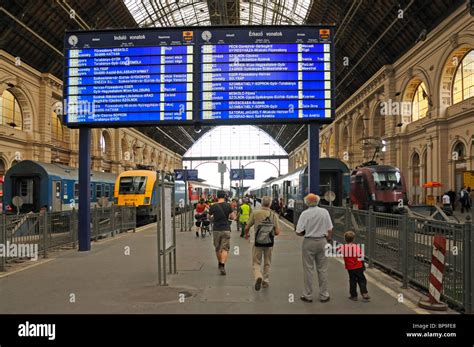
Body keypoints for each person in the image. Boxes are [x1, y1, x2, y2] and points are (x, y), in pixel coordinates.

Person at [295, 193, 333, 303]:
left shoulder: (304, 214)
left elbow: (298, 232)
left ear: (306, 202)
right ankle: (324, 295)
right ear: (317, 201)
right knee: (323, 269)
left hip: (309, 242)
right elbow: (330, 229)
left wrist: (306, 233)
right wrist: (328, 240)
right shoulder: (324, 212)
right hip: (322, 241)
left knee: (308, 269)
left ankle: (308, 295)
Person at [245, 196, 281, 290]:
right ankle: (265, 281)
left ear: (261, 203)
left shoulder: (255, 213)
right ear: (270, 204)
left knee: (256, 262)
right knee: (267, 262)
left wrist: (246, 235)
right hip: (269, 243)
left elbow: (247, 226)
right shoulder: (273, 215)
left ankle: (258, 276)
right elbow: (277, 232)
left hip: (258, 242)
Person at [208, 190, 236, 275]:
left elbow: (209, 217)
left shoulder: (213, 206)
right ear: (224, 196)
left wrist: (213, 218)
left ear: (217, 196)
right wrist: (231, 216)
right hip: (226, 229)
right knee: (225, 248)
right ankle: (222, 264)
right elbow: (232, 217)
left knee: (217, 248)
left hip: (216, 229)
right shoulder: (228, 205)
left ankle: (219, 262)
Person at [338, 231, 370, 302]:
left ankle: (354, 296)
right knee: (362, 280)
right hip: (358, 266)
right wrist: (363, 265)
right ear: (353, 239)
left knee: (352, 281)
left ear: (345, 239)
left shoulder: (343, 247)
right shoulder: (357, 247)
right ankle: (364, 293)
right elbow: (361, 256)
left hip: (350, 268)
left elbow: (338, 251)